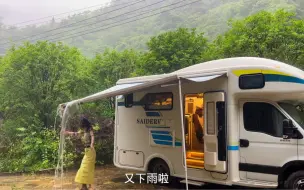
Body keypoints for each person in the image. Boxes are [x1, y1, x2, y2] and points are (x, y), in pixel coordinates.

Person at [63, 116, 96, 190]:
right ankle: (85, 186)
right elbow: (76, 133)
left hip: (91, 151)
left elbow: (92, 136)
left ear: (84, 123)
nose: (80, 124)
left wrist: (92, 144)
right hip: (86, 151)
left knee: (86, 168)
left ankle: (86, 186)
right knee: (84, 168)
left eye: (81, 123)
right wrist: (67, 132)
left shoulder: (89, 129)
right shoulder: (83, 130)